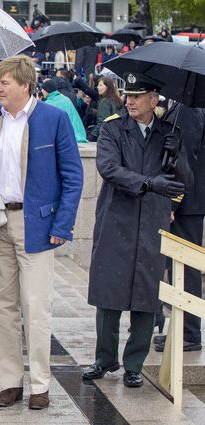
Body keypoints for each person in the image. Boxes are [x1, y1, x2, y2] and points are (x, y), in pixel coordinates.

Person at [0, 55, 83, 410]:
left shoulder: (53, 118)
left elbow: (73, 176)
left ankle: (40, 384)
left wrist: (62, 224)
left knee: (36, 306)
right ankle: (9, 382)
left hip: (36, 223)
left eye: (5, 82)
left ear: (25, 85)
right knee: (1, 306)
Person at [83, 72, 191, 388]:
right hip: (117, 219)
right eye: (128, 95)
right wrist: (146, 183)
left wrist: (178, 153)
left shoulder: (170, 134)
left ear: (154, 100)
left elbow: (184, 182)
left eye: (137, 96)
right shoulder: (113, 130)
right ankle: (104, 358)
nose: (129, 101)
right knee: (109, 293)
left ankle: (134, 363)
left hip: (152, 223)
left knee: (146, 295)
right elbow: (109, 168)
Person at [154, 104, 205, 353]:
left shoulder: (189, 109)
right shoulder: (185, 107)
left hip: (187, 202)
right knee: (179, 268)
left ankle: (189, 333)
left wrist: (174, 201)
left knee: (185, 268)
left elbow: (187, 157)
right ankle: (183, 330)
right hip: (190, 200)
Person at [40, 78, 88, 143]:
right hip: (77, 133)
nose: (42, 91)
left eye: (42, 89)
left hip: (60, 136)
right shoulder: (66, 99)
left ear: (46, 90)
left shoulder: (48, 104)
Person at [90, 77, 124, 141]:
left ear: (107, 87)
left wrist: (92, 135)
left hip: (107, 136)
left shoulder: (105, 102)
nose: (97, 87)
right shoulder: (118, 100)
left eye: (100, 85)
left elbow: (102, 122)